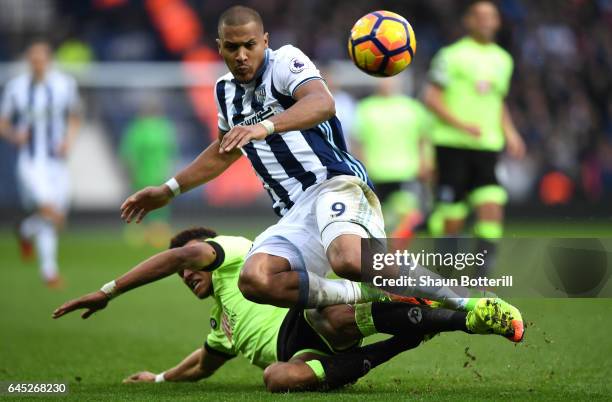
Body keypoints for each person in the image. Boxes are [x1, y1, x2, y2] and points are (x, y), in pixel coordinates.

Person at [118, 5, 524, 328]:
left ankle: (469, 302)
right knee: (254, 280)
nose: (241, 56)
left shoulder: (286, 62)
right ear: (219, 46)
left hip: (335, 185)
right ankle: (365, 294)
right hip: (293, 212)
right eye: (230, 47)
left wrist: (266, 125)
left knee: (350, 258)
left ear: (265, 41)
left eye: (249, 45)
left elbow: (320, 103)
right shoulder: (224, 91)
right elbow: (224, 150)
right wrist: (168, 189)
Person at [52, 227, 522, 392]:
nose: (187, 275)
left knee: (331, 316)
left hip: (308, 312)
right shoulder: (222, 323)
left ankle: (467, 316)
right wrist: (157, 378)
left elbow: (178, 255)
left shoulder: (232, 252)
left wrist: (108, 290)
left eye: (189, 266)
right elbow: (202, 364)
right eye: (183, 278)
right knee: (276, 378)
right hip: (300, 353)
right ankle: (408, 336)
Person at [423, 1, 526, 269]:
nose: (485, 21)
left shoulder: (503, 60)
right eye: (479, 16)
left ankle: (482, 271)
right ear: (468, 21)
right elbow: (431, 98)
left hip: (487, 146)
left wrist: (511, 133)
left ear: (497, 22)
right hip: (451, 145)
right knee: (452, 217)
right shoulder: (450, 56)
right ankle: (445, 270)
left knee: (491, 204)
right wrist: (461, 125)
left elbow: (498, 101)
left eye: (491, 16)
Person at [0, 40, 81, 288]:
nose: (37, 64)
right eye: (33, 59)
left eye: (41, 59)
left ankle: (25, 230)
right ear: (28, 62)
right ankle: (50, 273)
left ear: (49, 60)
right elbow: (3, 122)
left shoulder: (65, 84)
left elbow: (74, 115)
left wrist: (69, 140)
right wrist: (15, 135)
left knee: (56, 212)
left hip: (57, 162)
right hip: (31, 162)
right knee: (50, 211)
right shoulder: (16, 88)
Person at [354, 77, 433, 240]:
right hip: (375, 173)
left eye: (390, 79)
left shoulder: (412, 107)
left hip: (406, 172)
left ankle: (393, 252)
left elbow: (423, 138)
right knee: (376, 220)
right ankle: (382, 253)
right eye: (382, 79)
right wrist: (361, 167)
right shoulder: (364, 108)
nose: (386, 83)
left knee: (408, 216)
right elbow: (358, 142)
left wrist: (426, 162)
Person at [119, 99, 178, 247]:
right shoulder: (165, 128)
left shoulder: (137, 128)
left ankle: (136, 234)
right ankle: (158, 234)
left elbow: (128, 154)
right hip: (160, 174)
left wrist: (130, 172)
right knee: (161, 203)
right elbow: (172, 152)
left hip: (141, 174)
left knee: (138, 203)